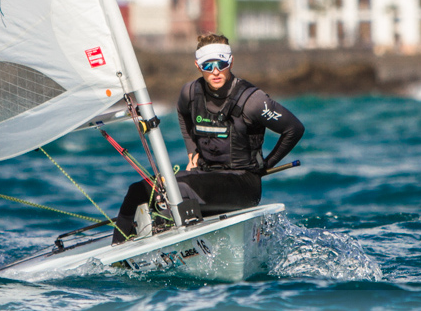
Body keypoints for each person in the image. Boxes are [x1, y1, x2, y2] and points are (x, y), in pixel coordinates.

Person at [112, 33, 304, 244]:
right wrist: (191, 149)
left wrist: (266, 164)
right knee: (138, 190)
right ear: (197, 65)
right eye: (207, 65)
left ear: (230, 61)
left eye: (221, 64)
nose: (215, 71)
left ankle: (176, 247)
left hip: (243, 183)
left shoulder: (253, 101)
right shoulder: (190, 93)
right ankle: (118, 256)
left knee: (178, 191)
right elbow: (182, 113)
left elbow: (293, 128)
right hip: (204, 176)